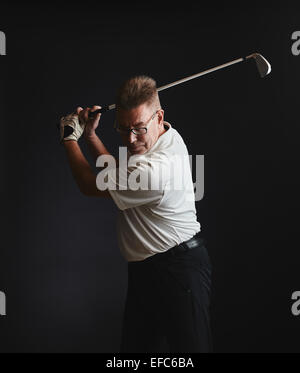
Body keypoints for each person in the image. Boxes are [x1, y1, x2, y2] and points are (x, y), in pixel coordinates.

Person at [60, 75, 212, 353]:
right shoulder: (166, 135)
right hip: (148, 270)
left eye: (139, 129)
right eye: (122, 127)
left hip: (178, 271)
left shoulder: (155, 173)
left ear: (159, 116)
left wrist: (70, 138)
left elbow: (88, 184)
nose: (130, 139)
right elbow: (119, 173)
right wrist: (91, 135)